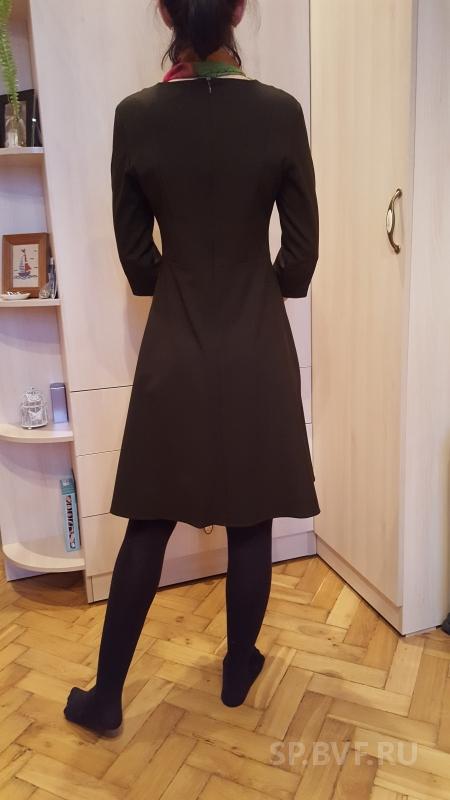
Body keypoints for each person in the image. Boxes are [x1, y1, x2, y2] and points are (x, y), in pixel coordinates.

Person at [64, 0, 320, 736]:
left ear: (165, 11)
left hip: (175, 340)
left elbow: (135, 255)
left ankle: (108, 696)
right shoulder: (280, 113)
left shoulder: (135, 116)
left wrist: (173, 287)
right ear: (239, 9)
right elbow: (300, 255)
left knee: (149, 517)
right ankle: (238, 667)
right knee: (251, 514)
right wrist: (261, 289)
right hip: (255, 341)